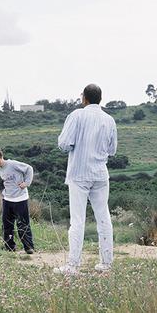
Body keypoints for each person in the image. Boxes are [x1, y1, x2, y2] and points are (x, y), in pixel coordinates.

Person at [54, 83, 118, 274]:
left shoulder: (77, 115)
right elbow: (112, 150)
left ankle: (73, 265)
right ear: (101, 98)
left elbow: (64, 144)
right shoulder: (109, 120)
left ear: (84, 98)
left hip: (79, 173)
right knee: (103, 217)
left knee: (78, 220)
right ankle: (106, 263)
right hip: (100, 174)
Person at [0, 145, 35, 254]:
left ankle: (28, 247)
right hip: (7, 200)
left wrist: (27, 183)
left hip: (20, 199)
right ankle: (9, 247)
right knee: (7, 225)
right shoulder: (0, 168)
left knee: (23, 224)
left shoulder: (12, 164)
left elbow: (29, 168)